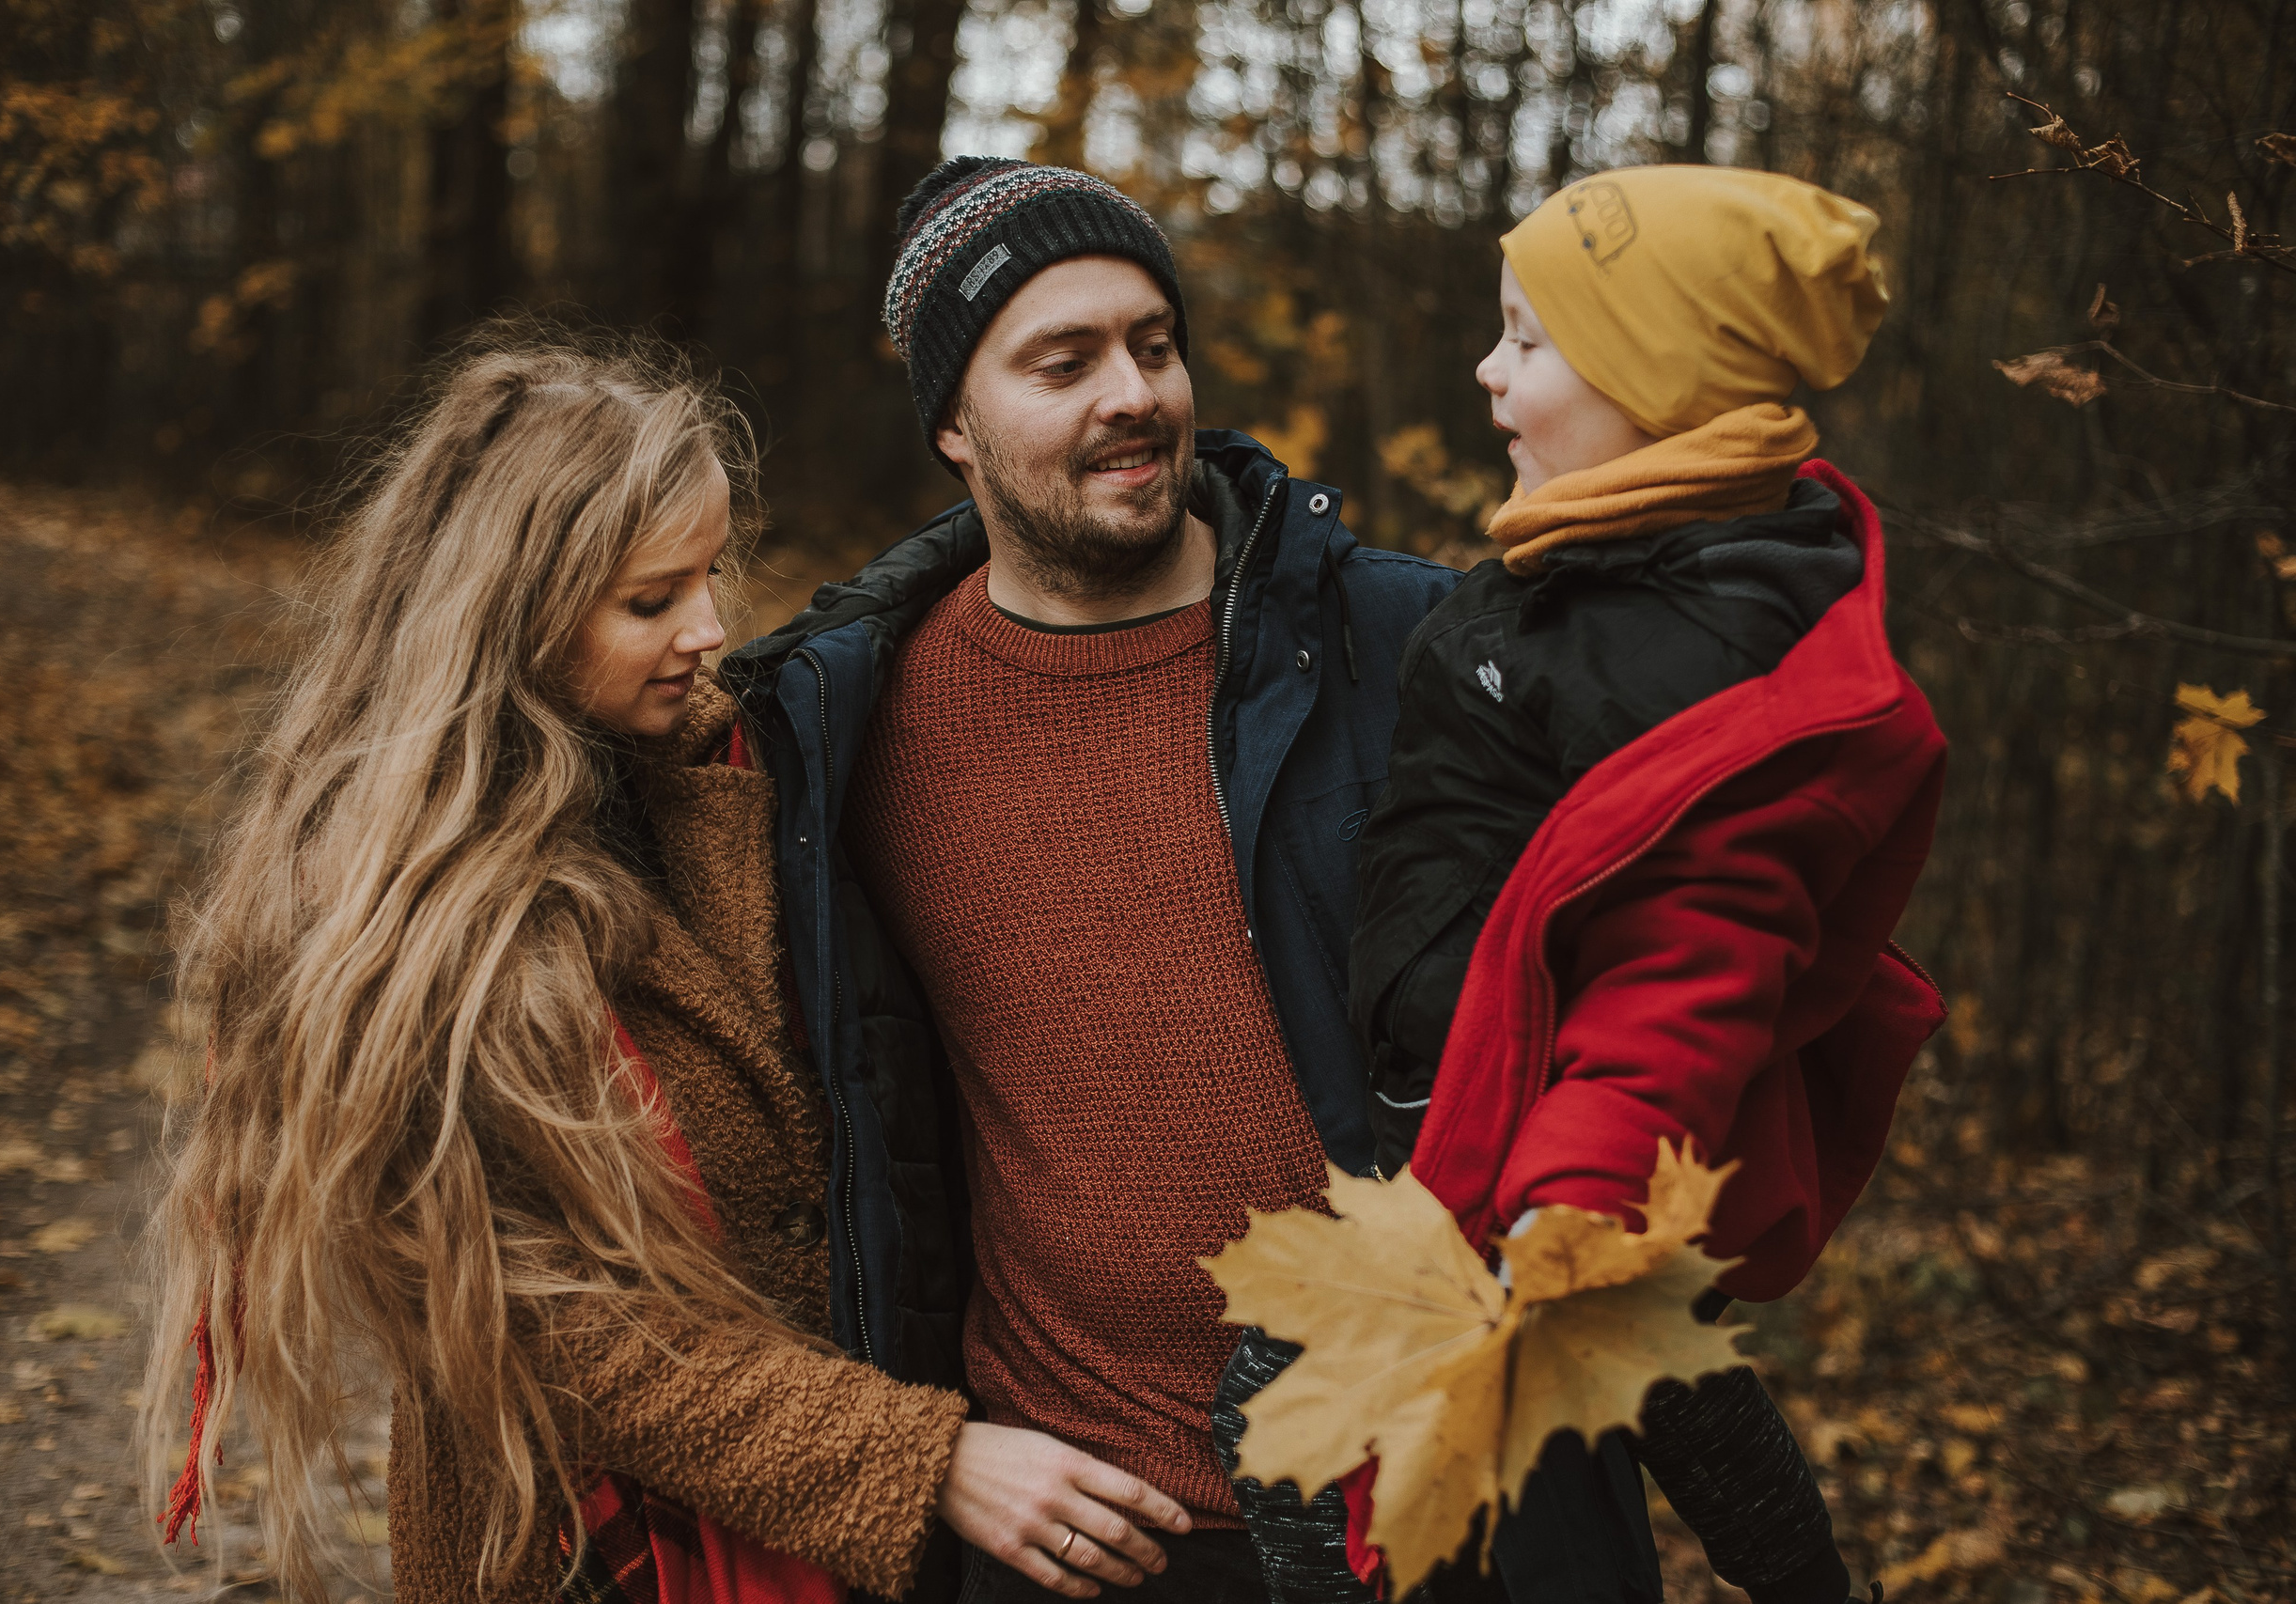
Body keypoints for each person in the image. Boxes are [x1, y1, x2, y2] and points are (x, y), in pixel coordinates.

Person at [718, 159, 1668, 1604]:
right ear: (955, 427)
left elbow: (1667, 979)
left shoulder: (1413, 645)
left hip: (1445, 1497)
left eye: (1153, 344)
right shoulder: (845, 727)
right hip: (1077, 1522)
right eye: (1065, 360)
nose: (1135, 394)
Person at [138, 333, 1194, 1604]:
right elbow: (557, 1332)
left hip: (808, 1531)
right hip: (592, 1550)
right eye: (651, 602)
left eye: (708, 575)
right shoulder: (400, 926)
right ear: (511, 615)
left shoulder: (725, 782)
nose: (709, 630)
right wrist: (919, 1462)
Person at [1336, 166, 1948, 1601]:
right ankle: (1802, 1572)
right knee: (1669, 1381)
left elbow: (1696, 957)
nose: (1489, 369)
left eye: (1531, 343)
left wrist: (1580, 1193)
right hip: (1474, 1091)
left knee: (1311, 1428)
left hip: (1533, 1147)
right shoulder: (1604, 559)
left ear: (1657, 383)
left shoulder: (1697, 652)